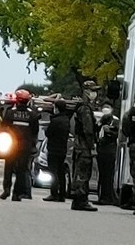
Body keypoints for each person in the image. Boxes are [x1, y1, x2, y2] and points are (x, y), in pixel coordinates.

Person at [1, 89, 39, 201]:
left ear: (16, 100)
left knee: (8, 167)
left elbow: (3, 127)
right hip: (25, 147)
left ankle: (6, 189)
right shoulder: (32, 114)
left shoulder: (10, 112)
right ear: (28, 101)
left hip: (10, 145)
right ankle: (16, 194)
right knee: (21, 170)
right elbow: (35, 131)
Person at [71, 80, 99, 212]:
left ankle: (78, 200)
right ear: (86, 91)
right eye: (93, 90)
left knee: (79, 172)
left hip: (79, 145)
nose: (95, 94)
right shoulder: (85, 109)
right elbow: (88, 130)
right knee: (83, 173)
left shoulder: (81, 107)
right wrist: (92, 146)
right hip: (84, 146)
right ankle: (81, 200)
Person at [43, 99, 72, 203]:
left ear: (57, 108)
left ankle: (54, 193)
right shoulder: (66, 120)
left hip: (54, 149)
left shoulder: (55, 121)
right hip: (62, 149)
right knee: (61, 172)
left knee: (53, 172)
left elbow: (48, 133)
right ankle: (62, 195)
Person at [95, 107, 118, 206]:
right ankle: (102, 196)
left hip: (108, 153)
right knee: (103, 176)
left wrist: (108, 131)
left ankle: (106, 197)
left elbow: (114, 136)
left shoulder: (112, 128)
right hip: (103, 153)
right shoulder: (101, 128)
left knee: (107, 176)